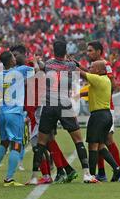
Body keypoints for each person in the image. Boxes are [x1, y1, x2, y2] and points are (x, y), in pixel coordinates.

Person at [30, 40, 92, 183]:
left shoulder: (49, 64)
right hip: (64, 102)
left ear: (53, 51)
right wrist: (76, 62)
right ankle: (87, 174)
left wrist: (34, 61)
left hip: (49, 104)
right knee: (77, 139)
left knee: (41, 141)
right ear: (65, 51)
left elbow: (38, 72)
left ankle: (34, 177)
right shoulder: (71, 65)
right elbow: (87, 74)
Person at [0, 50, 36, 187]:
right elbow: (37, 72)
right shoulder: (20, 70)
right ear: (11, 60)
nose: (15, 58)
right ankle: (9, 178)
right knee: (16, 144)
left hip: (2, 112)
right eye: (14, 57)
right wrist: (36, 61)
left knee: (3, 143)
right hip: (15, 113)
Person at [84, 41, 120, 181]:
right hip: (101, 108)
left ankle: (119, 171)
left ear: (99, 51)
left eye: (90, 51)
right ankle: (101, 172)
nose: (87, 53)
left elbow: (113, 84)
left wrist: (104, 97)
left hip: (106, 108)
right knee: (99, 141)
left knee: (106, 140)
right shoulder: (95, 67)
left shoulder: (104, 64)